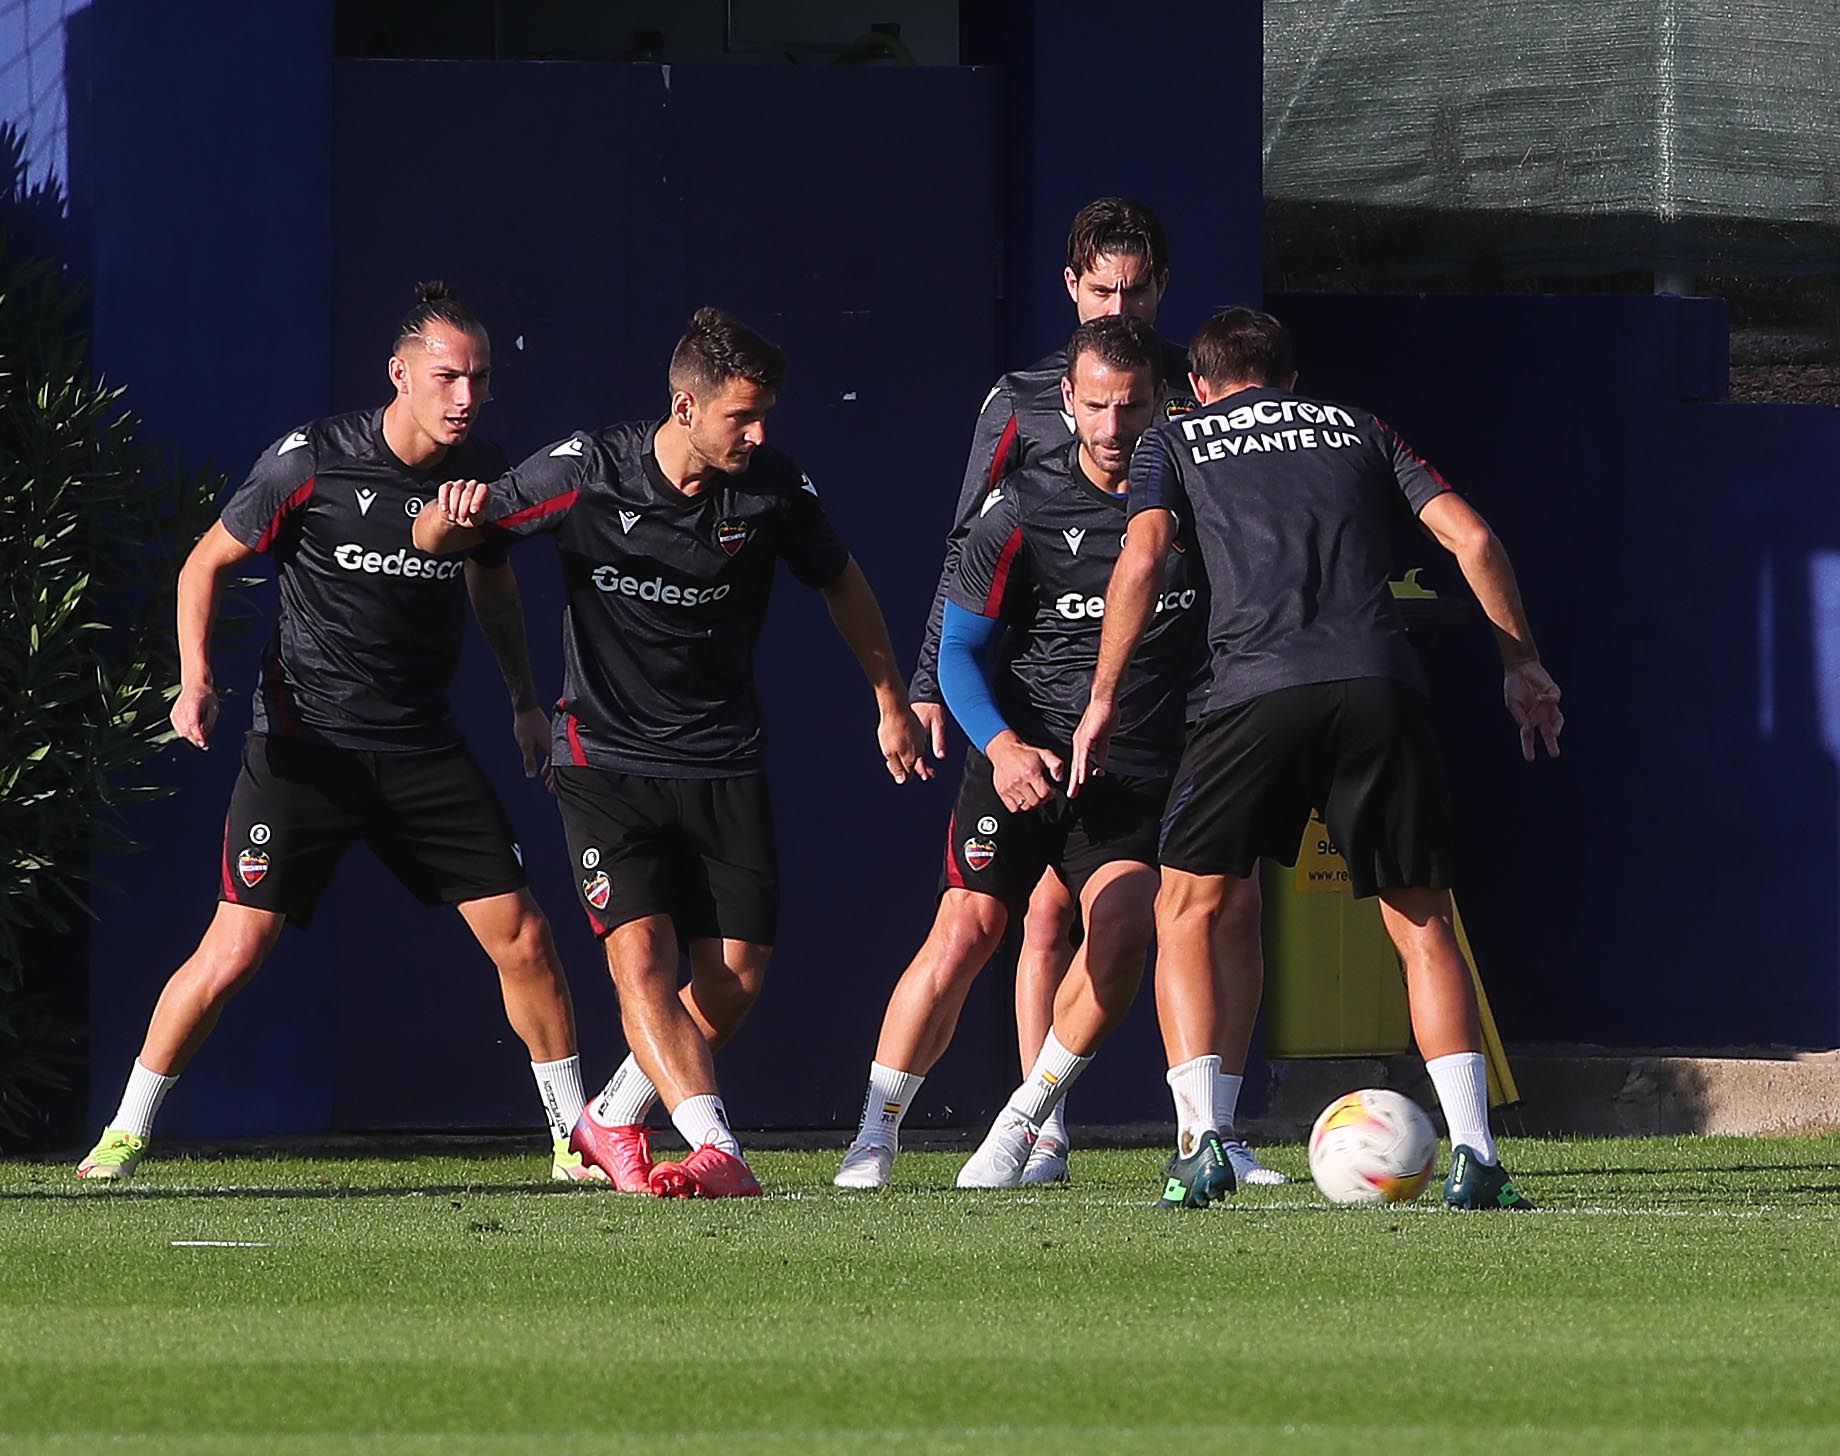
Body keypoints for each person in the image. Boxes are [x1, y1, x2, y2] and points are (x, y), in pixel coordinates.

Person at [78, 283, 600, 1184]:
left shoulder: (483, 471)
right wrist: (195, 679)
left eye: (479, 378)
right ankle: (124, 1133)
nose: (465, 397)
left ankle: (571, 1142)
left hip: (420, 749)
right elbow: (205, 561)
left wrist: (524, 698)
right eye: (446, 377)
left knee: (524, 935)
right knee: (237, 947)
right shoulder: (310, 463)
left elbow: (493, 586)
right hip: (302, 748)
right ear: (400, 374)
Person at [415, 307, 930, 1199]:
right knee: (638, 959)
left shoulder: (771, 488)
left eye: (766, 413)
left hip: (723, 760)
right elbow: (452, 539)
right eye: (743, 415)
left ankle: (611, 1114)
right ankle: (718, 1148)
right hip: (602, 760)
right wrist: (445, 517)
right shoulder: (588, 471)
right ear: (685, 407)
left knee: (732, 981)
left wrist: (890, 699)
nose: (760, 432)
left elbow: (842, 581)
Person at [1070, 307, 1563, 1209]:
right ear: (1289, 380)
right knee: (1422, 925)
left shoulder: (1176, 437)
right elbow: (1475, 539)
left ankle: (1200, 1141)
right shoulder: (1360, 426)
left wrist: (1101, 699)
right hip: (1380, 681)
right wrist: (1521, 664)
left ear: (1202, 387)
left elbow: (1140, 562)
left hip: (1252, 690)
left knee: (1187, 905)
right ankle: (1477, 1154)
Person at [910, 198, 1281, 1186]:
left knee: (1229, 902)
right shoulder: (1020, 398)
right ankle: (1041, 1133)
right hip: (1045, 700)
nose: (1119, 299)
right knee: (1039, 914)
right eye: (1101, 285)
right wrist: (928, 683)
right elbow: (964, 548)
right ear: (1071, 286)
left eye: (1137, 285)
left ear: (1161, 288)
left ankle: (1216, 1136)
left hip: (1182, 695)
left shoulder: (1189, 402)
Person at [834, 316, 1198, 1190]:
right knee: (968, 929)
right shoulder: (1020, 509)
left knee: (1119, 929)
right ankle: (874, 1135)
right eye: (1099, 406)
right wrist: (1000, 748)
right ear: (1066, 401)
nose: (1116, 429)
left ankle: (1026, 1122)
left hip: (1131, 771)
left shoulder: (1196, 504)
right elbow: (960, 655)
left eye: (1136, 407)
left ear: (1164, 403)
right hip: (1021, 758)